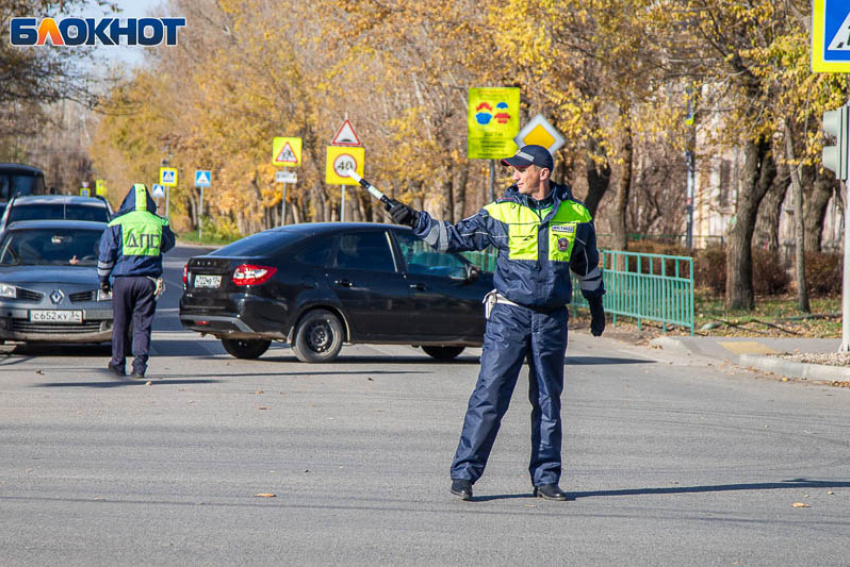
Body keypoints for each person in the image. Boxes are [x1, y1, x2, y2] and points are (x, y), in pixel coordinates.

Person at [388, 145, 605, 501]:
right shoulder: (500, 212)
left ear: (543, 173)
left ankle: (546, 478)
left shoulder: (576, 214)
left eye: (521, 169)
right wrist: (415, 221)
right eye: (513, 170)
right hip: (509, 316)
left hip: (551, 319)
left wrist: (596, 305)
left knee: (549, 400)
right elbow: (453, 238)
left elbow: (587, 264)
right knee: (489, 396)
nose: (515, 175)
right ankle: (464, 475)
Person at [98, 183, 175, 379]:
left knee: (120, 324)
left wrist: (103, 280)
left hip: (123, 281)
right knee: (142, 326)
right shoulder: (159, 223)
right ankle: (139, 368)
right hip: (148, 282)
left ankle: (117, 364)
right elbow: (168, 244)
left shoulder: (117, 223)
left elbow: (106, 255)